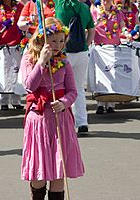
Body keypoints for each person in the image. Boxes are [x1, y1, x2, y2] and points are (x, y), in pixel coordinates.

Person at [20, 17, 84, 199]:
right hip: (38, 120)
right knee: (40, 173)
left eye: (61, 41)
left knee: (58, 172)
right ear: (42, 40)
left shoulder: (65, 62)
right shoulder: (29, 59)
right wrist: (41, 62)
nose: (58, 45)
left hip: (60, 120)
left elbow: (73, 91)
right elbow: (29, 86)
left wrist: (64, 102)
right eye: (53, 40)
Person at [55, 0, 95, 134]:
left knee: (61, 88)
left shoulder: (61, 4)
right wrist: (86, 46)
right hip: (82, 52)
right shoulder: (84, 7)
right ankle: (82, 122)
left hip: (65, 53)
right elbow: (91, 29)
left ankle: (65, 123)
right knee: (78, 88)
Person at [0, 0, 24, 111]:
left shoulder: (20, 6)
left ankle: (16, 100)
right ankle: (3, 101)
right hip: (0, 47)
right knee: (2, 74)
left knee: (16, 73)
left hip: (16, 46)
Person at [90, 0, 125, 114]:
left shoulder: (117, 12)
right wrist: (97, 21)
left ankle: (110, 103)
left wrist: (128, 33)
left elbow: (122, 26)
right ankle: (100, 103)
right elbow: (90, 28)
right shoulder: (94, 10)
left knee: (112, 74)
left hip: (113, 46)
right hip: (100, 47)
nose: (105, 2)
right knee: (100, 75)